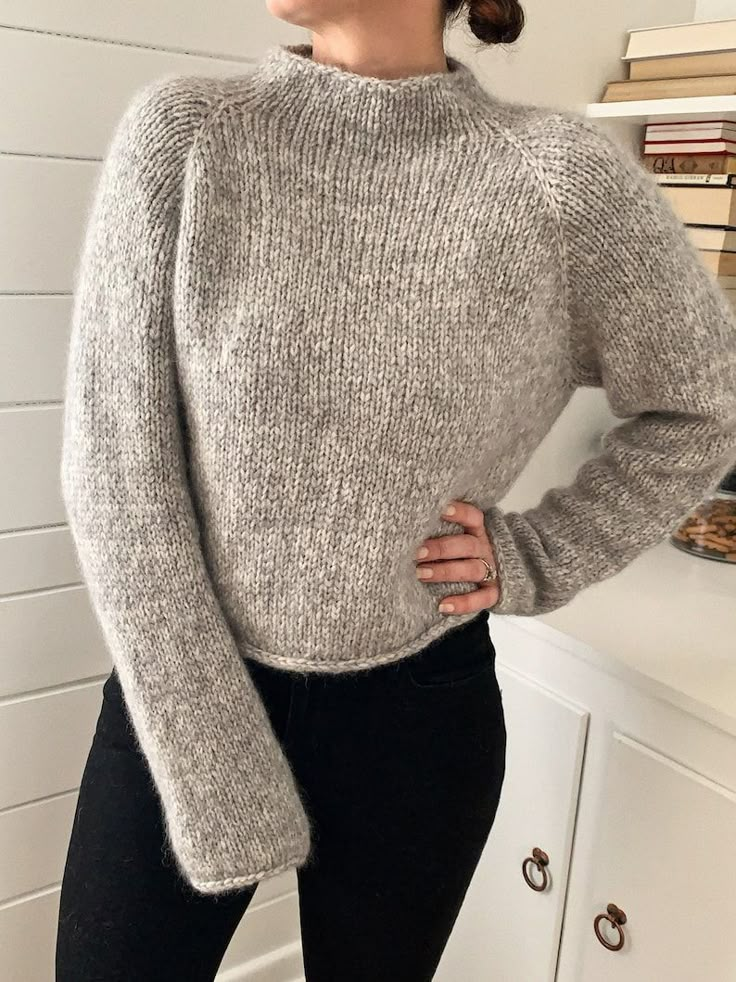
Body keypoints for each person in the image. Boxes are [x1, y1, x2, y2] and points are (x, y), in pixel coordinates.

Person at [55, 0, 736, 979]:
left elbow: (699, 406)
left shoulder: (556, 180)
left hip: (417, 712)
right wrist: (212, 749)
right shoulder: (189, 138)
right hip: (181, 685)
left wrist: (538, 550)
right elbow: (114, 461)